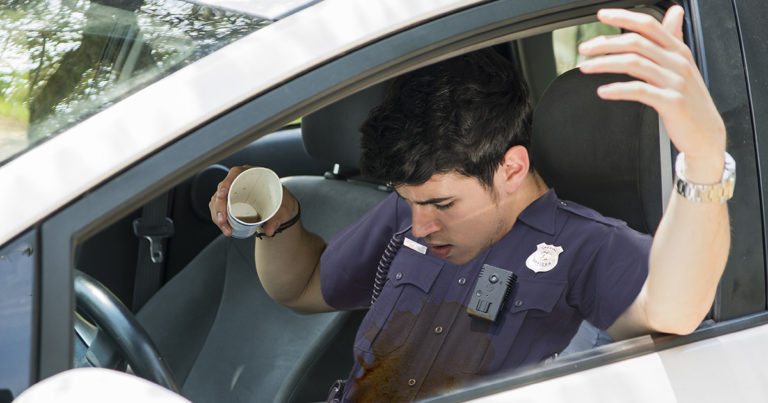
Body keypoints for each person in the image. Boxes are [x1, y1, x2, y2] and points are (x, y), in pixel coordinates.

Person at [209, 6, 731, 402]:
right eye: (409, 202)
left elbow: (675, 309)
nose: (420, 225)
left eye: (441, 203)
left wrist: (704, 160)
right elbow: (302, 287)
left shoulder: (587, 246)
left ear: (512, 170)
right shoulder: (411, 214)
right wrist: (277, 222)